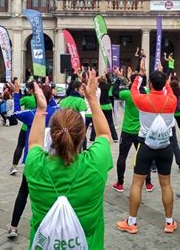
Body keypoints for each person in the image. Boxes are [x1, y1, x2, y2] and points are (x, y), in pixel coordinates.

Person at [25, 70, 113, 248]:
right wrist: (92, 99)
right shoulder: (94, 164)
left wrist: (41, 109)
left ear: (52, 136)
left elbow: (34, 142)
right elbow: (104, 134)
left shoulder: (35, 165)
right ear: (82, 137)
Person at [116, 70, 178, 234]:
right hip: (165, 147)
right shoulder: (172, 100)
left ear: (150, 84)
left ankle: (132, 222)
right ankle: (169, 222)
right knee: (166, 184)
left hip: (145, 146)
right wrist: (165, 81)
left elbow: (133, 90)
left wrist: (138, 77)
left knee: (137, 183)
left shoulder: (142, 100)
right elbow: (169, 89)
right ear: (163, 83)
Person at [7, 80, 59, 239]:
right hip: (52, 160)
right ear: (50, 97)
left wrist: (16, 94)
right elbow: (54, 104)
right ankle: (54, 229)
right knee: (53, 195)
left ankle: (13, 227)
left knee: (23, 192)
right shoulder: (59, 112)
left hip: (33, 160)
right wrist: (48, 92)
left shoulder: (31, 114)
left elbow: (14, 113)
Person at [112, 67, 153, 193]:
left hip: (127, 130)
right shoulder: (145, 93)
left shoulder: (128, 94)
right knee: (144, 157)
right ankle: (148, 183)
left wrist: (118, 78)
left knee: (122, 156)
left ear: (131, 82)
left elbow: (114, 93)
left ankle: (120, 183)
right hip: (141, 131)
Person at [9, 82, 36, 176]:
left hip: (26, 126)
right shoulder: (40, 98)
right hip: (37, 127)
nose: (27, 90)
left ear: (31, 90)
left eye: (28, 89)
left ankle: (14, 167)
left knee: (20, 146)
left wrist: (16, 93)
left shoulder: (27, 99)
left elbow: (16, 105)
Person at [98, 74, 118, 142]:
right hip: (108, 105)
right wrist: (107, 74)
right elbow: (111, 82)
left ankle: (94, 137)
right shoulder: (107, 86)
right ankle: (115, 138)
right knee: (110, 122)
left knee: (98, 122)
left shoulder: (98, 87)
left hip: (100, 106)